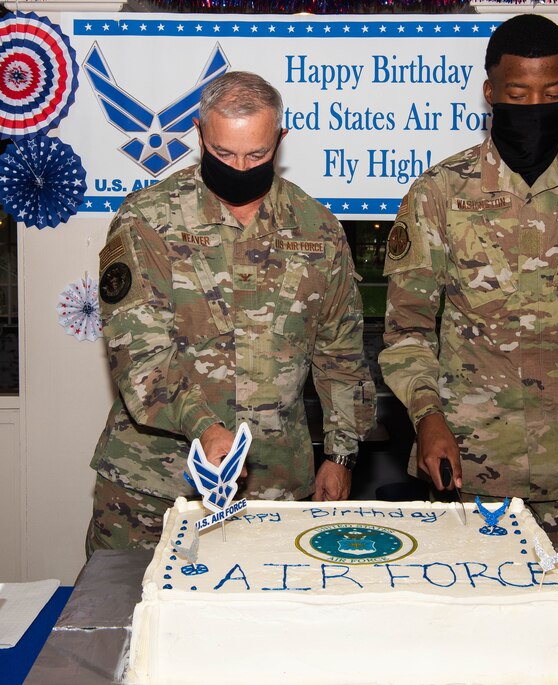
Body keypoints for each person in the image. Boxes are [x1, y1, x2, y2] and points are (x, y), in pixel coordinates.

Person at [378, 14, 558, 579]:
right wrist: (426, 416)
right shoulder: (439, 194)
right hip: (466, 471)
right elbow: (407, 331)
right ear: (490, 92)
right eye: (518, 93)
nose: (535, 105)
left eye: (551, 93)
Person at [87, 71, 375, 555]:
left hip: (275, 486)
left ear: (280, 142)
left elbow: (340, 354)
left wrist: (342, 453)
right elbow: (138, 355)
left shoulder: (317, 228)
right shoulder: (147, 219)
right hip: (155, 485)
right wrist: (204, 425)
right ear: (199, 134)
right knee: (126, 619)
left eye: (257, 154)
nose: (240, 168)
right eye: (224, 154)